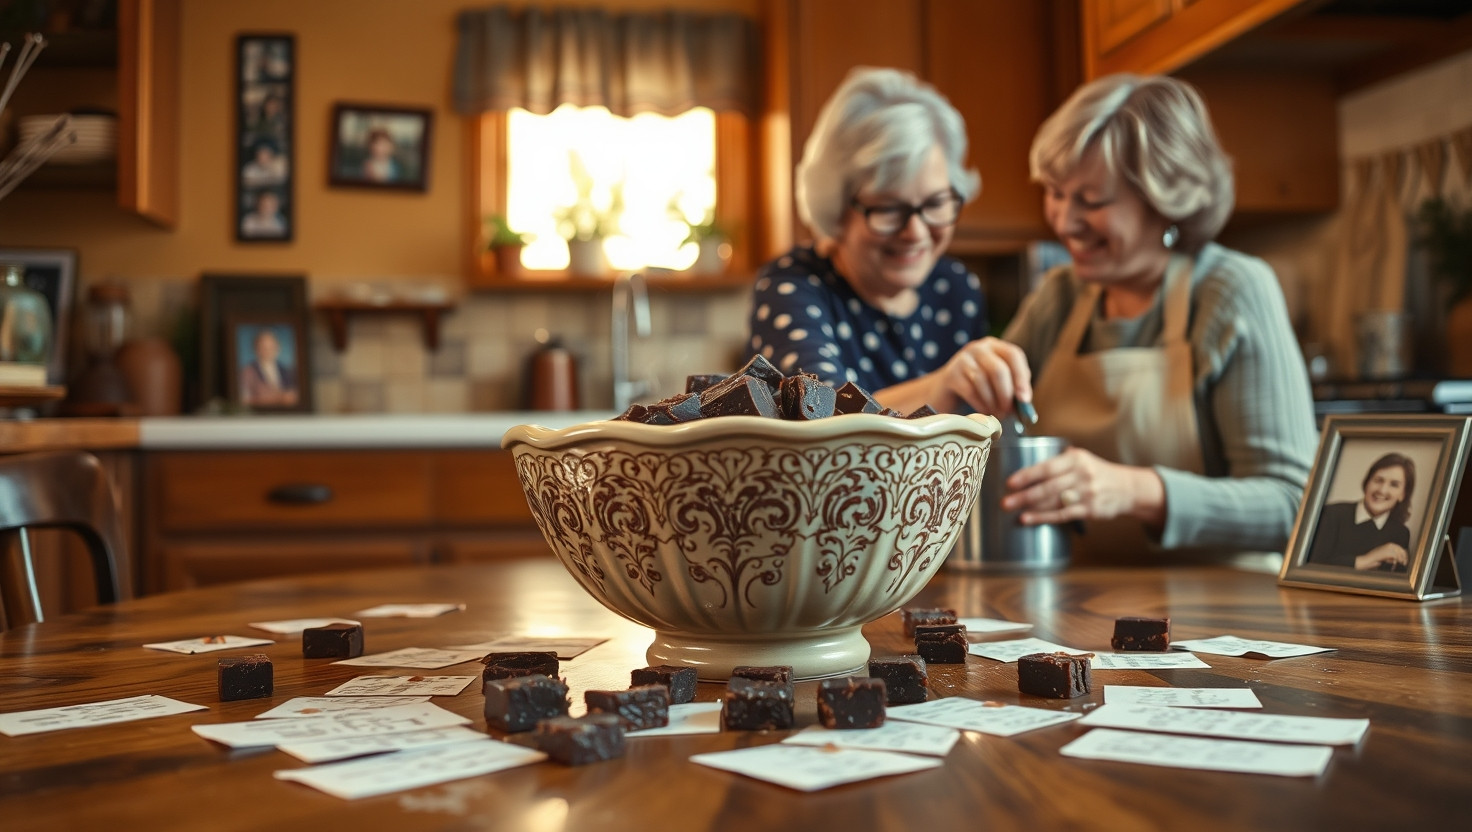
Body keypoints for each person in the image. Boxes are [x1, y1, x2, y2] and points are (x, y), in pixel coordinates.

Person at [970, 73, 1317, 563]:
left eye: (1091, 200)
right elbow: (986, 435)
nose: (1064, 221)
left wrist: (1138, 491)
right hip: (1079, 600)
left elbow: (1295, 505)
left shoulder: (1231, 290)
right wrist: (972, 384)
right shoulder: (1059, 296)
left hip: (1226, 606)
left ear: (1166, 197)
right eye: (1055, 192)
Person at [747, 67, 988, 402]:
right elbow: (821, 414)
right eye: (888, 209)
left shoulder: (957, 289)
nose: (915, 232)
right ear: (837, 208)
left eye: (935, 203)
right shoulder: (793, 286)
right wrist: (944, 385)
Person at [1307, 453, 1415, 571]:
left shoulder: (1401, 533)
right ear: (1367, 483)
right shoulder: (1331, 514)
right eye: (1378, 480)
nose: (1382, 490)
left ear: (1403, 494)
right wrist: (1366, 560)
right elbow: (1310, 566)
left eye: (1394, 485)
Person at [239, 329, 298, 407]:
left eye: (271, 346)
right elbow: (244, 400)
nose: (268, 350)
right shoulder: (248, 372)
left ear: (277, 347)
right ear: (256, 349)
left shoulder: (285, 370)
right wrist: (277, 399)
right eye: (263, 347)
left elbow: (294, 396)